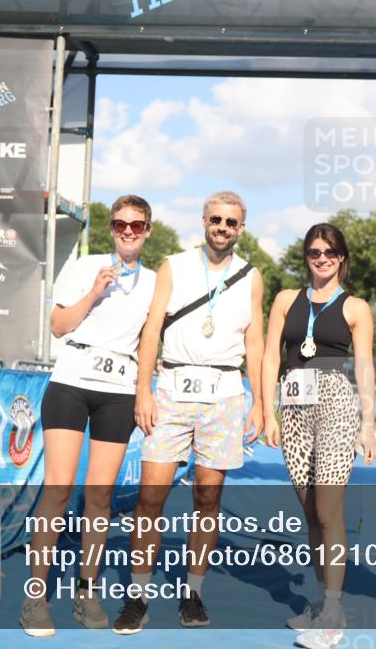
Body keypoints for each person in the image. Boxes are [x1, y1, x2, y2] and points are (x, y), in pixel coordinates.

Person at [113, 191, 265, 634]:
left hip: (224, 395)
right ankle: (137, 596)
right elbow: (152, 328)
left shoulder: (250, 276)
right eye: (216, 219)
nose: (222, 227)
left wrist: (260, 401)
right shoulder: (175, 266)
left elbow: (254, 340)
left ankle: (193, 592)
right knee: (149, 498)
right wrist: (144, 390)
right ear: (203, 221)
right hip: (173, 391)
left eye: (231, 222)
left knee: (208, 499)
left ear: (241, 228)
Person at [20, 194, 157, 637]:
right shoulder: (85, 265)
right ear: (111, 229)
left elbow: (151, 341)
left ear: (148, 230)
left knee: (99, 497)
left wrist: (144, 392)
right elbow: (59, 326)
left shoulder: (156, 282)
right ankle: (35, 597)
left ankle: (86, 592)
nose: (128, 232)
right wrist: (95, 292)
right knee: (58, 490)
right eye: (120, 225)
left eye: (137, 225)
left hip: (118, 389)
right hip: (72, 381)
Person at [261, 223, 376, 649]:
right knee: (311, 513)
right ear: (306, 256)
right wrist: (267, 410)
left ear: (342, 257)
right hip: (293, 408)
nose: (322, 258)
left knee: (329, 510)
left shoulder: (356, 307)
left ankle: (333, 610)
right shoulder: (285, 301)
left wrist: (368, 423)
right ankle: (321, 598)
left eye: (330, 251)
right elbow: (271, 354)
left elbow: (364, 366)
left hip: (335, 406)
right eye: (314, 251)